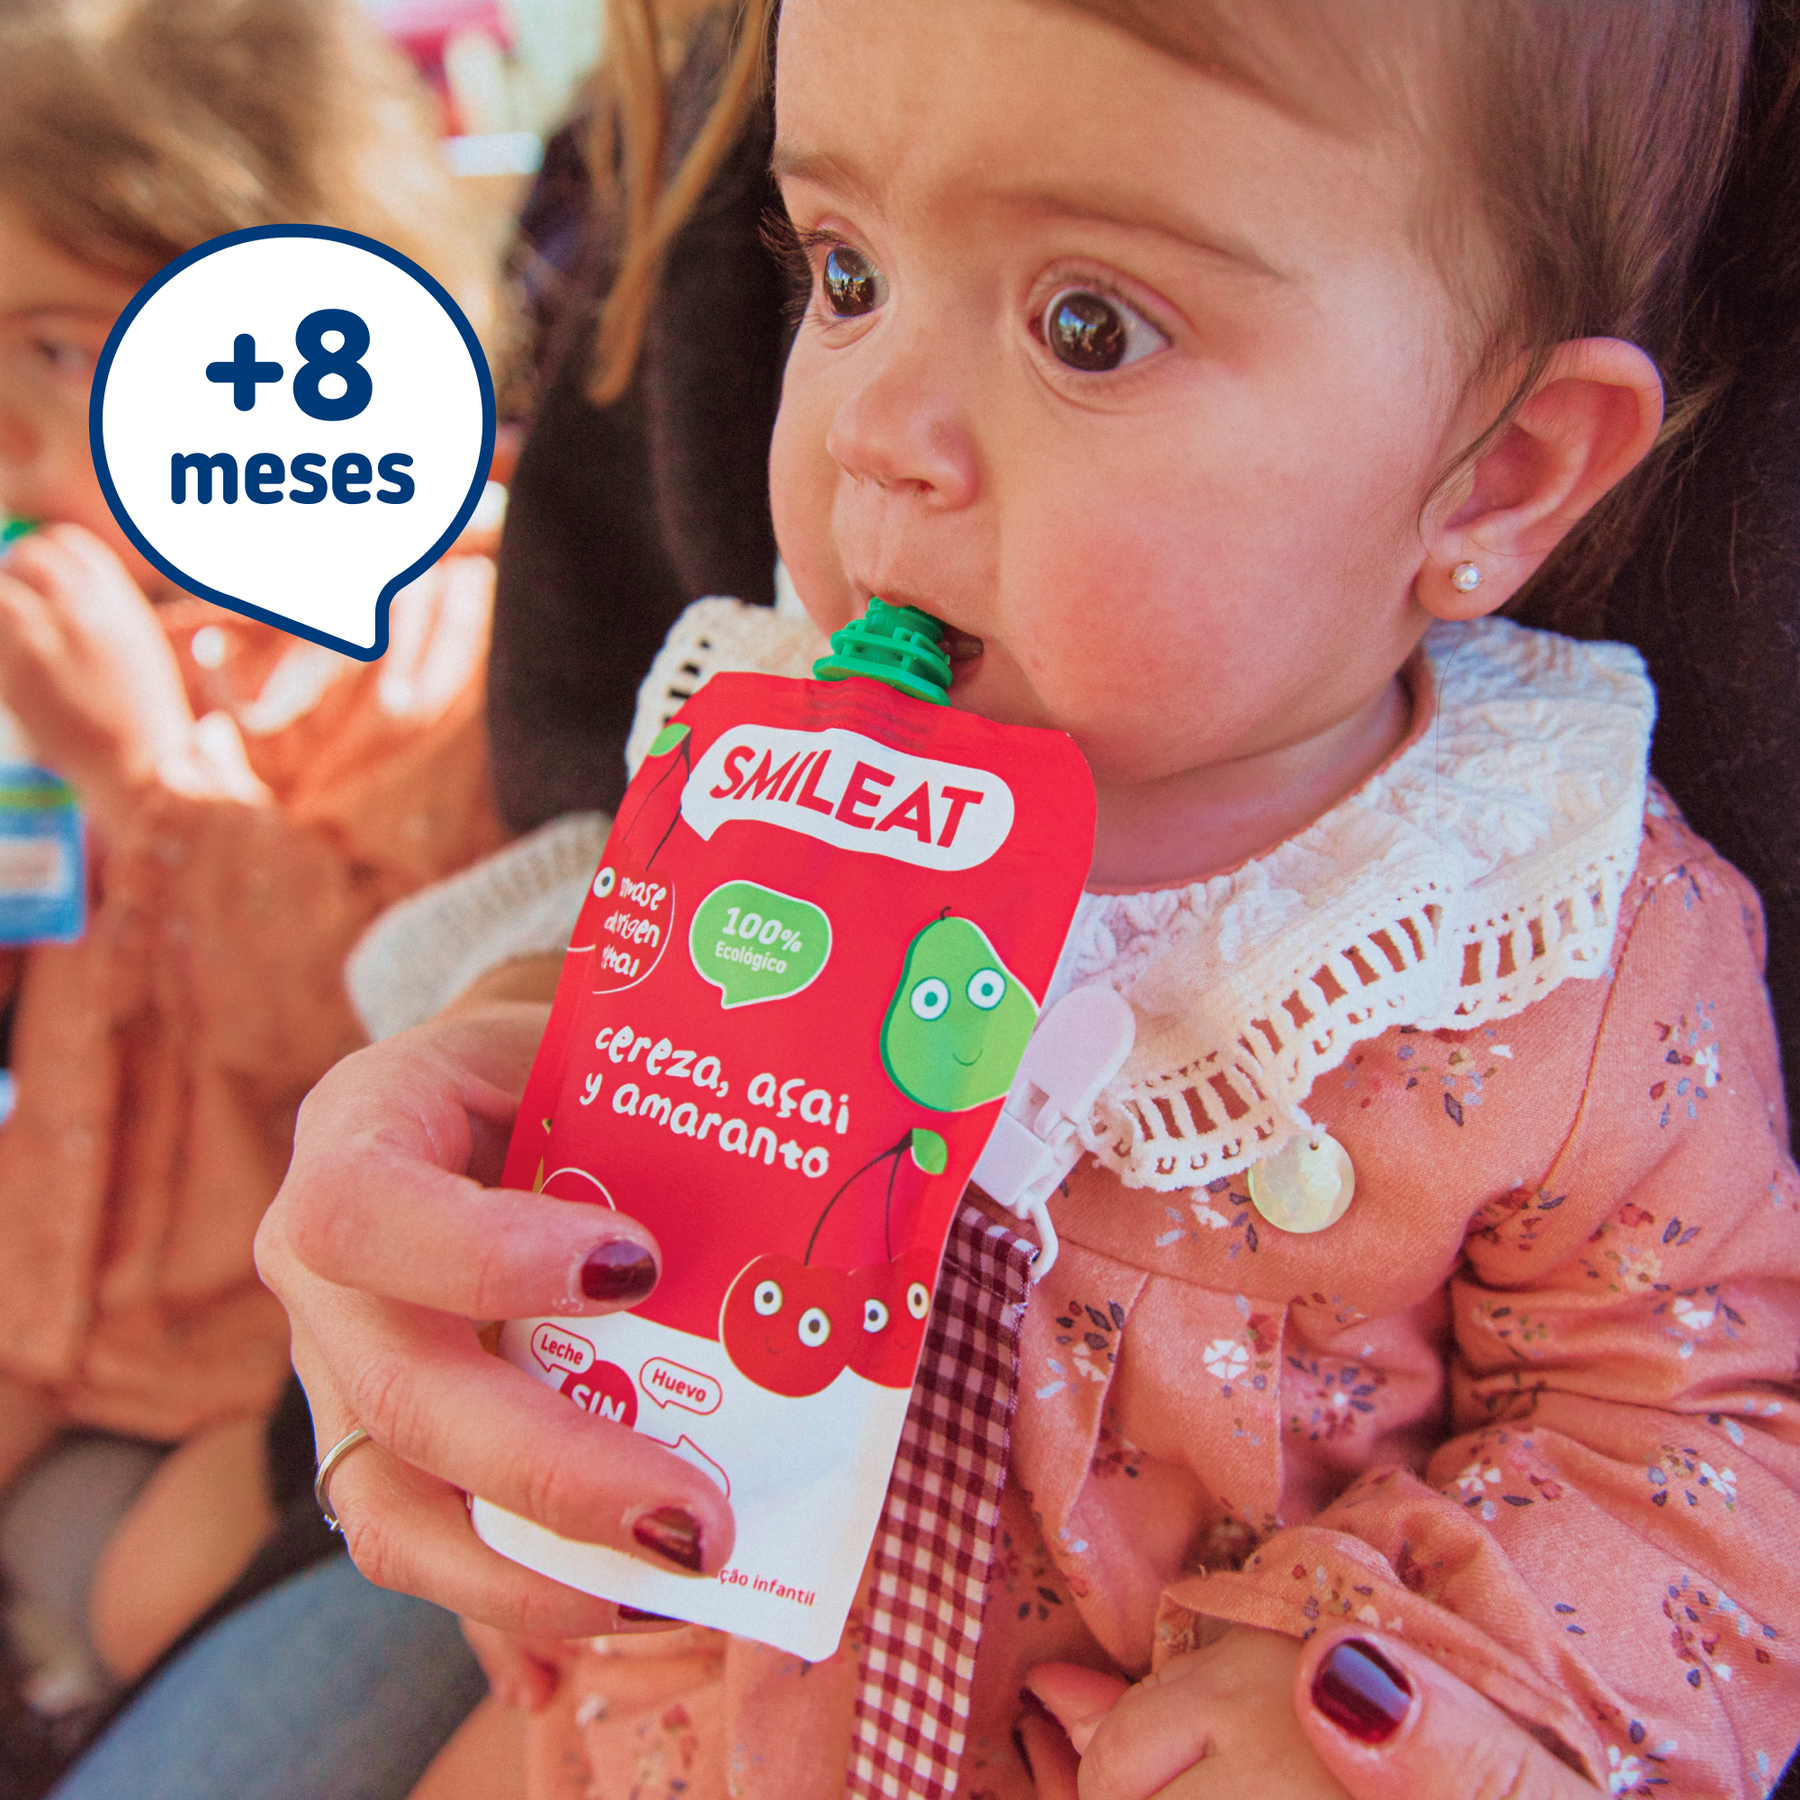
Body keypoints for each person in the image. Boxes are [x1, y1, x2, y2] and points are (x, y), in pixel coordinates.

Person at [255, 1, 1800, 1796]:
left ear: (1501, 468)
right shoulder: (754, 768)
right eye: (843, 274)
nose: (876, 433)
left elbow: (1699, 1446)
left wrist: (1422, 1708)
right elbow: (552, 1103)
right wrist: (474, 1112)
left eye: (1090, 325)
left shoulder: (1541, 932)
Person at [0, 0, 507, 1761]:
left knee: (131, 1585)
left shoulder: (426, 654)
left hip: (249, 1368)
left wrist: (144, 776)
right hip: (44, 1308)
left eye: (54, 352)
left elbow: (363, 1053)